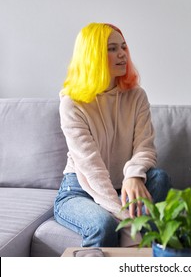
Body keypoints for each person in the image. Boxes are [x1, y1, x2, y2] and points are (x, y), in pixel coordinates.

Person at [54, 23, 171, 247]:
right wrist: (125, 218)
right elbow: (91, 168)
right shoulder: (72, 103)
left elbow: (145, 147)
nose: (122, 54)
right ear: (93, 55)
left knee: (160, 178)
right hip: (80, 189)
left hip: (124, 185)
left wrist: (133, 176)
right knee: (103, 225)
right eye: (112, 48)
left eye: (123, 47)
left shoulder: (136, 96)